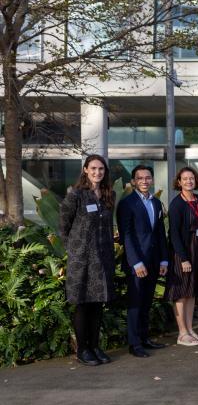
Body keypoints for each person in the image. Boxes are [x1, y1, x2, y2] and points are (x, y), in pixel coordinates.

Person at [59, 154, 116, 366]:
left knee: (97, 305)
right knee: (83, 305)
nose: (97, 172)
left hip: (102, 259)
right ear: (85, 170)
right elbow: (63, 225)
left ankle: (95, 346)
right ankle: (83, 350)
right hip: (81, 260)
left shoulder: (109, 194)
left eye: (101, 169)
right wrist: (74, 250)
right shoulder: (76, 195)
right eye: (93, 168)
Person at [116, 165, 169, 358]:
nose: (144, 181)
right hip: (137, 263)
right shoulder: (126, 204)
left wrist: (164, 260)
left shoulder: (155, 203)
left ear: (152, 180)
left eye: (147, 178)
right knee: (136, 303)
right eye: (140, 178)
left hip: (154, 261)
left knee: (147, 302)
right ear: (133, 182)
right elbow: (126, 235)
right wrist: (135, 263)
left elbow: (160, 233)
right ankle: (134, 343)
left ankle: (145, 338)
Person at [166, 167, 198, 347]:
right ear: (179, 182)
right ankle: (182, 333)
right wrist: (183, 258)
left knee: (192, 292)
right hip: (183, 253)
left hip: (197, 252)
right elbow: (174, 233)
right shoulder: (177, 204)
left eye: (191, 178)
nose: (189, 181)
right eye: (185, 179)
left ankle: (190, 329)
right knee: (182, 294)